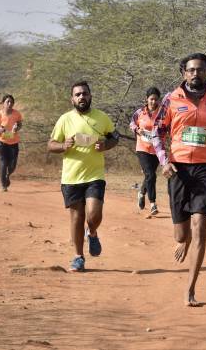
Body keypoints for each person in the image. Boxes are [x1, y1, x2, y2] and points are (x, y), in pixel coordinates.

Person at [152, 53, 206, 306]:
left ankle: (190, 289)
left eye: (200, 70)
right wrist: (164, 162)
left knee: (200, 225)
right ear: (183, 73)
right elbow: (157, 132)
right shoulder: (170, 99)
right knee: (181, 234)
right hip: (178, 169)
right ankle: (182, 240)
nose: (195, 74)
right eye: (190, 70)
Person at [48, 81, 119, 272]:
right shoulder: (64, 119)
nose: (82, 97)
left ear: (90, 96)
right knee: (77, 218)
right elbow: (51, 144)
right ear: (72, 99)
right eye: (78, 94)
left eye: (85, 94)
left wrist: (105, 145)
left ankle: (93, 232)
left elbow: (115, 137)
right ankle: (78, 257)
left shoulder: (101, 117)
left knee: (94, 215)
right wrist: (63, 146)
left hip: (95, 175)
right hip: (71, 177)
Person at [130, 87, 161, 217]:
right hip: (142, 148)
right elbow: (132, 123)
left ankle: (142, 192)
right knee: (151, 175)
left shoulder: (162, 113)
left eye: (156, 99)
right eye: (151, 99)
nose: (153, 101)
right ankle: (153, 203)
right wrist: (137, 130)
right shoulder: (139, 113)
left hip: (157, 149)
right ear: (147, 99)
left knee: (150, 175)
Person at [0, 94, 23, 192]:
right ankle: (3, 185)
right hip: (1, 142)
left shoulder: (17, 114)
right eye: (7, 102)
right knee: (3, 163)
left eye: (11, 102)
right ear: (3, 103)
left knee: (12, 165)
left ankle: (8, 175)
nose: (10, 104)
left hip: (13, 142)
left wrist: (17, 127)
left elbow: (20, 124)